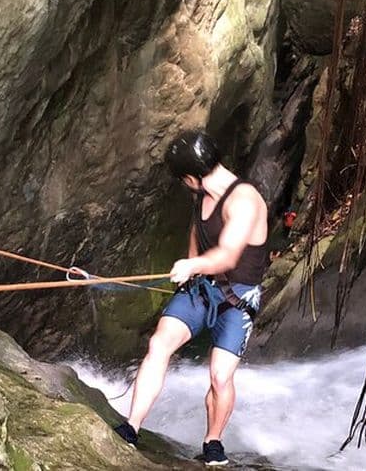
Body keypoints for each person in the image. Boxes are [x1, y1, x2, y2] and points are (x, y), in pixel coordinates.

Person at [113, 130, 268, 466]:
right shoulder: (203, 194)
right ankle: (131, 426)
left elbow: (227, 255)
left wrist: (191, 264)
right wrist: (190, 271)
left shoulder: (244, 200)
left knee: (219, 375)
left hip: (238, 297)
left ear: (191, 176)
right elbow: (197, 232)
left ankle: (213, 442)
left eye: (182, 179)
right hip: (201, 289)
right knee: (160, 343)